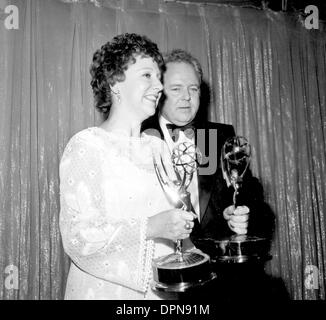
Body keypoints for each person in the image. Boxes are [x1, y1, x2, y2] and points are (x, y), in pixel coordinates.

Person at [59, 34, 196, 300]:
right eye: (147, 75)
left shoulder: (158, 149)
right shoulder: (87, 145)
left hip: (161, 293)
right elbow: (77, 238)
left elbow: (174, 225)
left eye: (159, 77)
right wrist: (152, 227)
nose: (159, 86)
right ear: (114, 82)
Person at [142, 49, 276, 300]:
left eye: (193, 89)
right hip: (160, 281)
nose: (186, 98)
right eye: (176, 89)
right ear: (159, 92)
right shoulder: (138, 137)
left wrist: (241, 214)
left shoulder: (218, 136)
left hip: (220, 282)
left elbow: (251, 195)